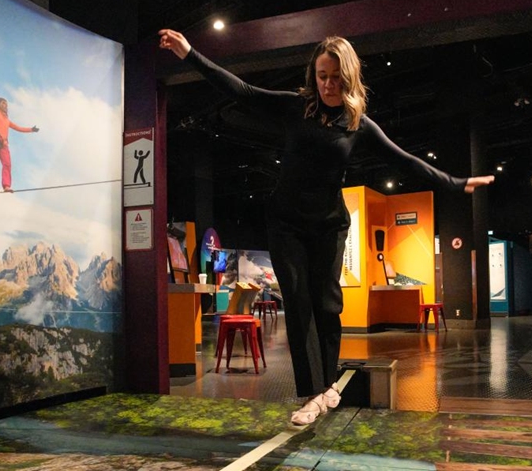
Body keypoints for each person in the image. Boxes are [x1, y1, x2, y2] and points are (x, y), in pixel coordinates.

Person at [158, 29, 494, 426]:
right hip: (284, 222)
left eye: (336, 76)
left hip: (328, 225)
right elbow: (243, 91)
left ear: (349, 77)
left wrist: (454, 183)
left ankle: (327, 382)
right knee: (298, 304)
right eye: (322, 75)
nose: (328, 84)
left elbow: (405, 161)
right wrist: (190, 54)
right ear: (313, 76)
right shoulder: (296, 108)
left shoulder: (357, 124)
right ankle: (314, 394)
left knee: (327, 304)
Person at [0, 72, 39, 193]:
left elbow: (19, 128)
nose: (5, 105)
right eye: (3, 103)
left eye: (6, 104)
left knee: (7, 164)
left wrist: (31, 130)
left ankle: (6, 186)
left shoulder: (7, 120)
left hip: (3, 144)